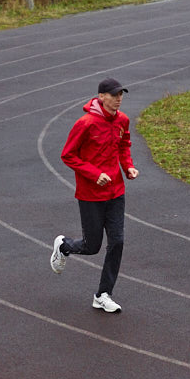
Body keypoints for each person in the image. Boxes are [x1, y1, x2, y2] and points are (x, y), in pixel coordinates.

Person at [50, 77, 138, 313]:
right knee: (92, 246)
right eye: (114, 94)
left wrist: (127, 166)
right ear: (101, 97)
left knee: (117, 241)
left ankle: (103, 294)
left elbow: (123, 144)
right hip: (91, 194)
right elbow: (68, 155)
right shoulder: (85, 123)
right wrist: (93, 173)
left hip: (116, 191)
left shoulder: (123, 120)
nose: (119, 98)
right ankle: (64, 246)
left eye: (121, 94)